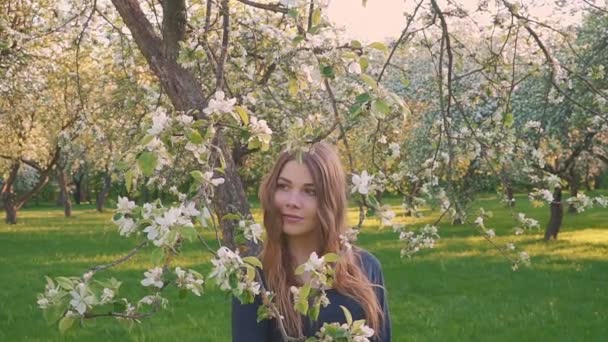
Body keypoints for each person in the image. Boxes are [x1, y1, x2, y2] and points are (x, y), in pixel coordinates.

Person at [232, 142, 391, 341]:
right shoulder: (254, 280)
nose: (292, 201)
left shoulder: (367, 268)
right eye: (283, 186)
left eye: (310, 191)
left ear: (330, 201)